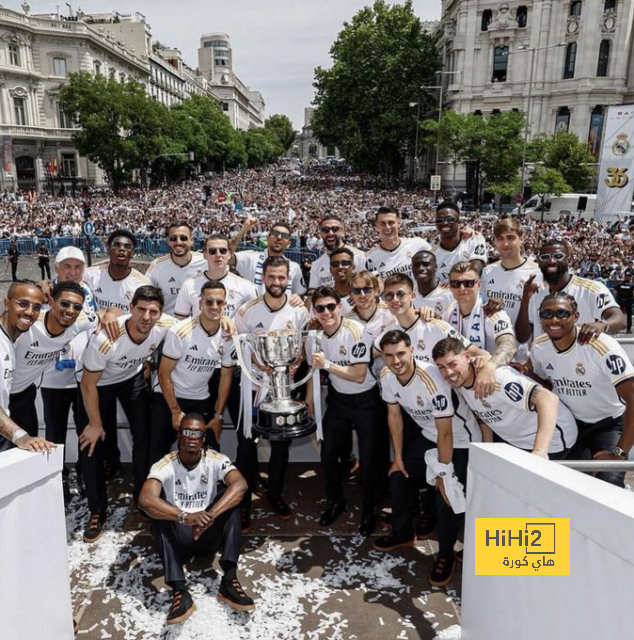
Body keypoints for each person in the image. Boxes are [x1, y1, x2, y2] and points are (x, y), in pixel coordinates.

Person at [78, 286, 174, 543]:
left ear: (160, 313)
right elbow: (87, 384)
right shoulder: (107, 337)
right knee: (91, 443)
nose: (146, 316)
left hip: (131, 380)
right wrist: (95, 423)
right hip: (96, 385)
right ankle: (97, 509)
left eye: (153, 311)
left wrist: (228, 323)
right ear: (130, 308)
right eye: (141, 309)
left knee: (144, 436)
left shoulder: (164, 324)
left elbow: (197, 323)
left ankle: (143, 496)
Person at [139, 414, 254, 623]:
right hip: (180, 535)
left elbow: (241, 485)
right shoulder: (164, 464)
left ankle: (229, 580)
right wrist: (185, 517)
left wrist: (209, 516)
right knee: (158, 515)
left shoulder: (216, 459)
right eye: (187, 432)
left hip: (207, 533)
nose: (192, 437)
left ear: (203, 438)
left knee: (230, 503)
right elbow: (145, 499)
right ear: (179, 435)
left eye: (197, 433)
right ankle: (179, 591)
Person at [375, 330, 466, 587]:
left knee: (446, 495)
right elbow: (394, 416)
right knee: (398, 475)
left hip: (458, 441)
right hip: (429, 435)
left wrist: (443, 474)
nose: (396, 361)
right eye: (389, 356)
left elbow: (446, 433)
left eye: (401, 353)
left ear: (412, 350)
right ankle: (403, 533)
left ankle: (446, 554)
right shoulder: (386, 375)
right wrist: (399, 457)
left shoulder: (432, 379)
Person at [528, 292, 634, 487]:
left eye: (562, 313)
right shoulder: (539, 346)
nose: (554, 319)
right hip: (570, 422)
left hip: (607, 424)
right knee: (559, 484)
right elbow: (547, 384)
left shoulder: (600, 346)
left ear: (575, 316)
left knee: (608, 482)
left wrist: (618, 454)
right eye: (547, 313)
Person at [234, 255, 310, 522]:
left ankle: (275, 494)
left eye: (281, 277)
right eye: (271, 277)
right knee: (246, 443)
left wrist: (298, 360)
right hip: (253, 386)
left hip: (284, 387)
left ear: (288, 279)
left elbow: (304, 344)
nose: (276, 282)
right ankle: (242, 502)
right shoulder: (246, 311)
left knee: (281, 444)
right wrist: (254, 358)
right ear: (263, 278)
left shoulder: (299, 311)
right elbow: (238, 346)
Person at [307, 286, 383, 536]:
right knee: (328, 453)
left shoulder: (356, 330)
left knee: (370, 461)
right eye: (320, 308)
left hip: (366, 401)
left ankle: (369, 510)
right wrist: (309, 399)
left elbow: (359, 375)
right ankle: (335, 501)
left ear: (340, 306)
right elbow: (313, 371)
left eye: (331, 306)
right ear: (314, 311)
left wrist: (327, 364)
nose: (326, 312)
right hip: (338, 400)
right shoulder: (316, 335)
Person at [432, 336, 577, 459]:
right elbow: (482, 415)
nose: (448, 372)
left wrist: (540, 452)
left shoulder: (496, 377)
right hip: (516, 442)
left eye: (452, 364)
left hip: (553, 442)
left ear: (467, 357)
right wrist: (487, 450)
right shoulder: (460, 382)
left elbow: (548, 398)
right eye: (441, 367)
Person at [151, 280, 236, 465]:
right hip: (169, 397)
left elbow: (226, 377)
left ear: (225, 304)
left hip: (200, 398)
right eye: (209, 301)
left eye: (219, 302)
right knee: (156, 450)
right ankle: (151, 492)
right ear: (200, 303)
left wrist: (218, 416)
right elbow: (164, 374)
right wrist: (175, 411)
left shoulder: (228, 335)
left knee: (211, 452)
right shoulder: (180, 331)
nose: (214, 307)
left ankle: (210, 491)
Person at [516, 238, 625, 344]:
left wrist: (601, 325)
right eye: (545, 257)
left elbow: (619, 319)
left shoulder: (591, 289)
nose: (551, 261)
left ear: (568, 260)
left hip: (582, 360)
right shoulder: (535, 293)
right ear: (539, 262)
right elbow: (522, 337)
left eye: (558, 256)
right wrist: (525, 299)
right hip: (544, 361)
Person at [0, 280, 54, 452]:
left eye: (37, 307)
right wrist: (20, 436)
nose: (30, 312)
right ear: (6, 303)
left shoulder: (11, 339)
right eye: (23, 304)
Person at [481, 217, 541, 359]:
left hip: (523, 356)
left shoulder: (537, 273)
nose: (505, 243)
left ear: (521, 239)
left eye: (511, 238)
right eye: (500, 238)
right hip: (491, 353)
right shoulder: (487, 272)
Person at [446, 261, 517, 366]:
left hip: (490, 374)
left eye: (468, 283)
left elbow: (508, 345)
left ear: (478, 284)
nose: (461, 288)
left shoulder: (492, 311)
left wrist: (491, 366)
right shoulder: (448, 312)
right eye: (455, 284)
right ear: (450, 287)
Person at [175, 234, 258, 319]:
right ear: (205, 255)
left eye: (223, 251)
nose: (218, 255)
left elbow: (253, 320)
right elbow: (181, 321)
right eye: (212, 251)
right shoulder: (189, 285)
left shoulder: (246, 286)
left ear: (229, 254)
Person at [229, 218, 306, 295]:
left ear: (288, 243)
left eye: (284, 236)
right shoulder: (250, 258)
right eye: (275, 233)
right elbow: (227, 256)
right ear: (267, 238)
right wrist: (244, 230)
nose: (279, 237)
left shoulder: (294, 267)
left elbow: (299, 295)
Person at [146, 220, 207, 316]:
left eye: (183, 238)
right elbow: (145, 297)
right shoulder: (157, 266)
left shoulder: (206, 262)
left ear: (192, 240)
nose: (178, 242)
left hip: (199, 324)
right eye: (173, 238)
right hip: (169, 324)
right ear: (168, 241)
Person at [366, 206, 431, 280]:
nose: (387, 227)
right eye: (382, 223)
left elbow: (438, 264)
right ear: (376, 226)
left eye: (391, 222)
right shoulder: (371, 259)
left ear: (399, 223)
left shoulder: (418, 245)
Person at [431, 201, 488, 282]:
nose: (444, 223)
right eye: (439, 220)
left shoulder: (474, 239)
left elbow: (475, 270)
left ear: (458, 222)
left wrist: (453, 284)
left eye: (449, 219)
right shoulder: (433, 255)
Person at [307, 215, 366, 293]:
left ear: (342, 231)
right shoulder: (316, 265)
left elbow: (372, 285)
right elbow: (313, 293)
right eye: (325, 230)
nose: (330, 233)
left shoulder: (360, 257)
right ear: (321, 233)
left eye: (335, 229)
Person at [411, 250, 454, 319]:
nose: (421, 268)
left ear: (435, 267)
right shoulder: (408, 297)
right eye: (416, 265)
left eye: (426, 264)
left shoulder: (449, 296)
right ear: (412, 269)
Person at [328, 247, 356, 314]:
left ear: (353, 267)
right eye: (335, 264)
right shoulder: (324, 297)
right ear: (330, 269)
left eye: (345, 263)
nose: (340, 267)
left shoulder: (364, 295)